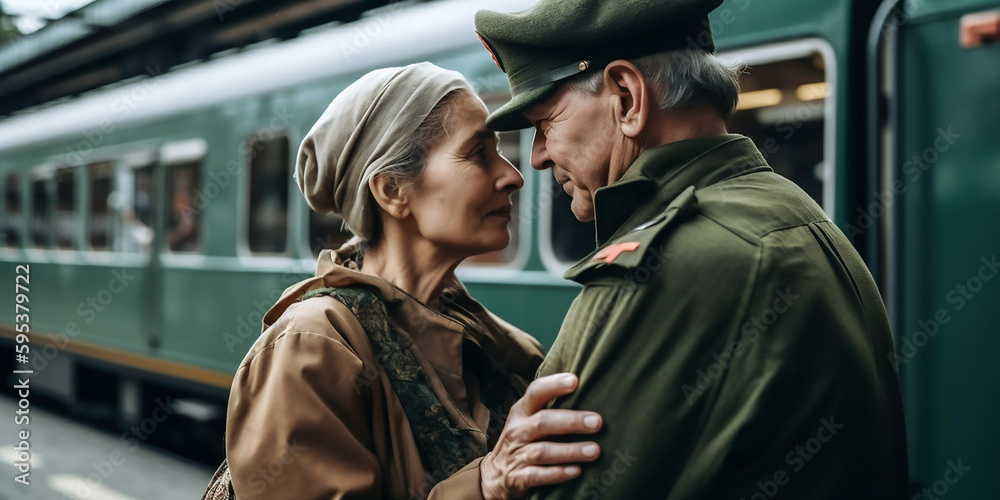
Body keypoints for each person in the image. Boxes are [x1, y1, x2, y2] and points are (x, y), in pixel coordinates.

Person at [474, 0, 910, 498]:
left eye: (545, 122)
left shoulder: (664, 266)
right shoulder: (792, 211)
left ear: (626, 97)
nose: (536, 158)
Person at [208, 63, 604, 500]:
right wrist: (485, 482)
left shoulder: (471, 326)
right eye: (478, 154)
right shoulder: (313, 344)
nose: (513, 176)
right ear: (393, 190)